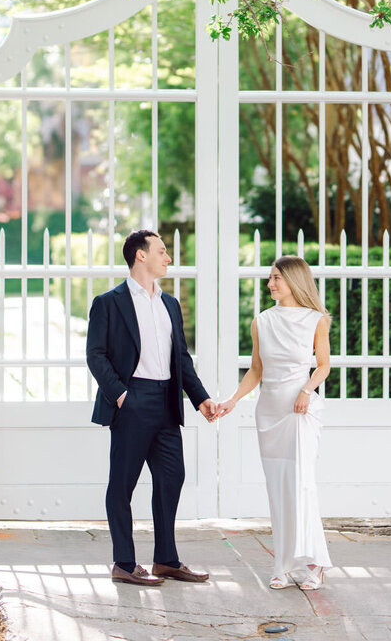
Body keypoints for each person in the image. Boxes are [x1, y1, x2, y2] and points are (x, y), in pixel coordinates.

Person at [87, 229, 219, 587]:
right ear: (140, 255)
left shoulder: (169, 304)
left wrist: (201, 397)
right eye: (162, 251)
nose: (168, 258)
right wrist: (121, 395)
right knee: (123, 484)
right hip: (132, 400)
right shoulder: (109, 303)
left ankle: (165, 560)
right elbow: (95, 355)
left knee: (171, 478)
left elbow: (181, 359)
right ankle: (124, 563)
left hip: (166, 402)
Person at [216, 255, 333, 591]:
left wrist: (306, 391)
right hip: (268, 412)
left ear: (294, 280)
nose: (270, 284)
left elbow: (323, 365)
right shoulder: (261, 322)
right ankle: (282, 562)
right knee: (278, 489)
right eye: (270, 278)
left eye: (276, 278)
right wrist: (232, 400)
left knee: (302, 484)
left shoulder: (316, 320)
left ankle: (315, 563)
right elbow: (256, 370)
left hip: (299, 410)